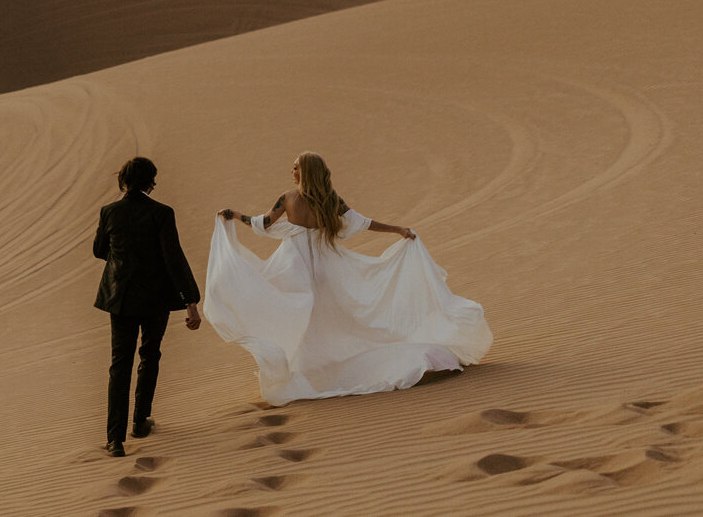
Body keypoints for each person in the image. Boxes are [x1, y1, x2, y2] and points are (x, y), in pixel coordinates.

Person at [204, 152, 491, 406]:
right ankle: (315, 368)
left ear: (306, 171)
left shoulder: (288, 198)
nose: (291, 172)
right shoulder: (330, 199)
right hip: (325, 266)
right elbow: (363, 223)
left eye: (295, 167)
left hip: (294, 266)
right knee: (327, 317)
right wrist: (397, 229)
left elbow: (263, 222)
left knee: (297, 315)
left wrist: (235, 215)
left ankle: (306, 371)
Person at [93, 156, 203, 456]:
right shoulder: (162, 213)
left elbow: (99, 250)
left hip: (121, 298)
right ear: (151, 181)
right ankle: (140, 422)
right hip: (156, 298)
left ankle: (115, 439)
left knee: (119, 366)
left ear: (124, 180)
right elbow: (173, 257)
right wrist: (191, 301)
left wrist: (124, 260)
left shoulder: (109, 212)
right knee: (150, 354)